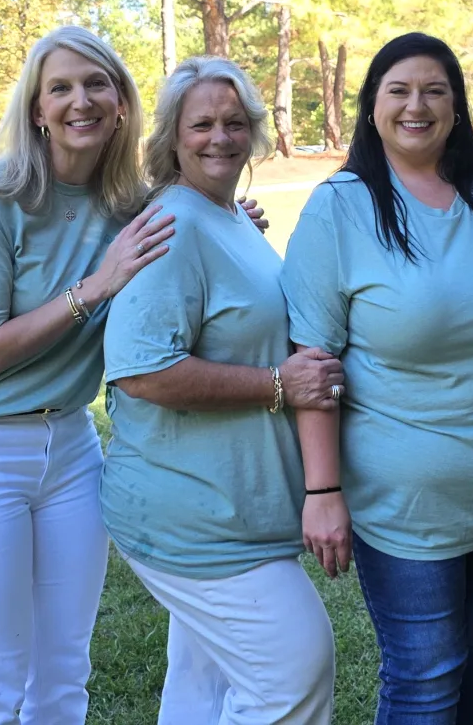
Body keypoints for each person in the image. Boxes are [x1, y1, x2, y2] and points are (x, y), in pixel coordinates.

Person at [281, 33, 473, 724]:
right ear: (371, 107)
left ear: (459, 106)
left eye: (436, 90)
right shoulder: (340, 208)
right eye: (399, 90)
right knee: (424, 675)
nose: (418, 105)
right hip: (409, 501)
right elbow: (313, 364)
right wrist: (322, 491)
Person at [0, 25, 179, 725]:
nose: (79, 101)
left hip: (72, 451)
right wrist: (96, 285)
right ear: (36, 109)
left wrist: (230, 215)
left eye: (96, 84)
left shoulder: (132, 205)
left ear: (122, 102)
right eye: (59, 87)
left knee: (63, 670)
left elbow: (191, 231)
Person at [101, 56, 339, 725]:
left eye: (235, 123)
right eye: (200, 123)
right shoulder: (173, 227)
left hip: (231, 508)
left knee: (202, 691)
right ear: (172, 138)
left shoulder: (226, 214)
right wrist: (276, 384)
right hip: (194, 519)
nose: (220, 137)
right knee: (294, 668)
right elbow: (142, 370)